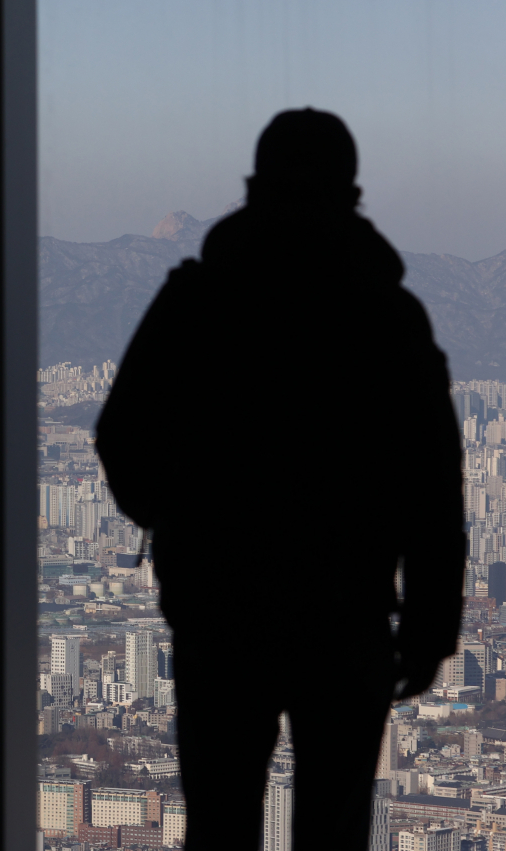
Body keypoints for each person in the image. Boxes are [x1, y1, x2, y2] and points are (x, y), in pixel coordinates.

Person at [95, 109, 464, 850]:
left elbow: (121, 435)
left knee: (223, 820)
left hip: (220, 612)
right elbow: (433, 487)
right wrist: (429, 627)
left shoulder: (197, 303)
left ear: (252, 187)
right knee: (334, 826)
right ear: (352, 193)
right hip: (346, 614)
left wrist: (174, 525)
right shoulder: (388, 317)